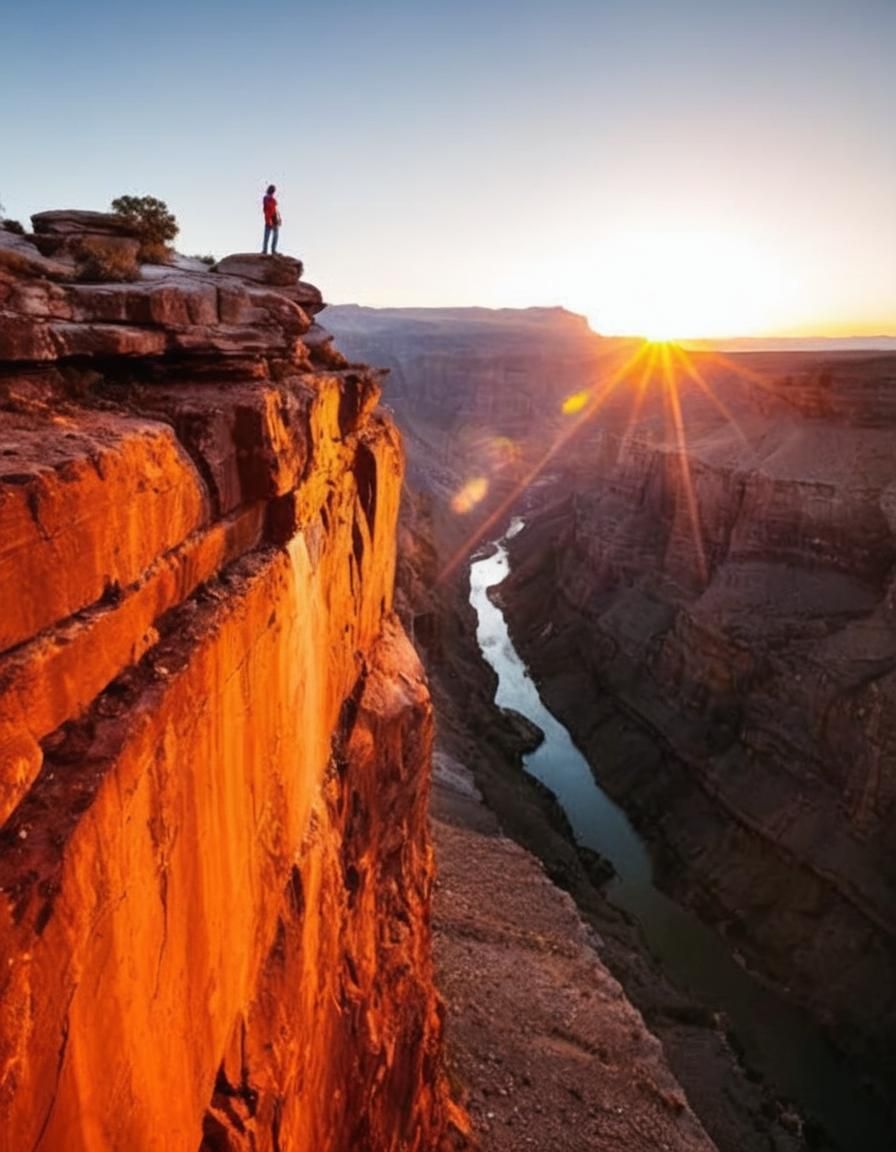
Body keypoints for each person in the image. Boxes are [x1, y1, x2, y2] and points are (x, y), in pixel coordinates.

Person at [262, 184, 281, 255]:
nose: (273, 192)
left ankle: (273, 250)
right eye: (272, 190)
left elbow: (275, 209)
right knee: (267, 235)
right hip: (269, 217)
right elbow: (267, 209)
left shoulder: (273, 199)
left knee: (275, 235)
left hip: (274, 217)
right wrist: (269, 220)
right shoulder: (266, 198)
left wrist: (279, 218)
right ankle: (265, 250)